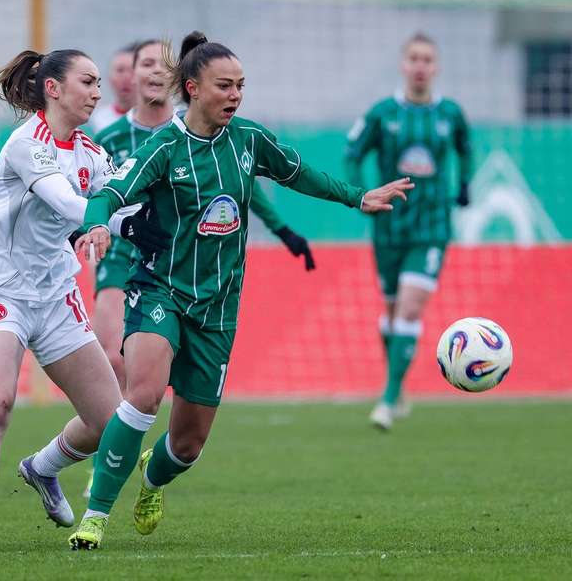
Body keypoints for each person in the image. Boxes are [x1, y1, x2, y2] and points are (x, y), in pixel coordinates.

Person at [69, 31, 413, 550]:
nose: (235, 95)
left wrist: (357, 197)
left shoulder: (249, 140)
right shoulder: (165, 145)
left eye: (241, 86)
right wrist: (94, 225)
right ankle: (94, 517)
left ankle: (152, 478)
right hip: (160, 289)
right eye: (224, 86)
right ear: (193, 87)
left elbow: (301, 175)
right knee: (141, 394)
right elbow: (111, 192)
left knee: (186, 445)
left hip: (219, 306)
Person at [0, 48, 170, 551]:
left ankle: (42, 469)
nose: (97, 92)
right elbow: (68, 203)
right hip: (2, 291)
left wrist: (151, 222)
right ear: (53, 87)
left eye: (96, 84)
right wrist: (108, 221)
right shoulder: (28, 143)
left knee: (112, 426)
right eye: (87, 82)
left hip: (57, 297)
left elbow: (115, 207)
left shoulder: (90, 152)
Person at [81, 38, 315, 498]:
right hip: (127, 261)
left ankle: (104, 459)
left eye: (157, 64)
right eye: (141, 63)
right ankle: (104, 473)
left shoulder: (217, 135)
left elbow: (240, 188)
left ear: (173, 81)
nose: (150, 72)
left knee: (183, 436)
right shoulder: (108, 139)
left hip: (201, 273)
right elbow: (90, 194)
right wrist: (102, 225)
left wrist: (283, 230)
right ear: (125, 76)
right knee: (122, 366)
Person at [344, 32, 472, 431]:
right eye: (414, 58)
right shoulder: (383, 112)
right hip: (389, 227)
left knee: (411, 308)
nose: (420, 66)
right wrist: (361, 194)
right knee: (394, 312)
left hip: (432, 226)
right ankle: (397, 388)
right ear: (404, 65)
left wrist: (464, 185)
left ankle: (386, 399)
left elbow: (467, 149)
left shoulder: (450, 113)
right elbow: (352, 154)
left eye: (427, 60)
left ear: (436, 68)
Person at [88, 43, 137, 133]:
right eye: (120, 70)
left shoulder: (157, 121)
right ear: (109, 78)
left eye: (132, 70)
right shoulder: (94, 121)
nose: (126, 78)